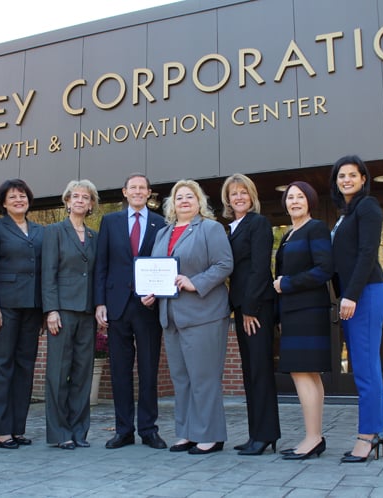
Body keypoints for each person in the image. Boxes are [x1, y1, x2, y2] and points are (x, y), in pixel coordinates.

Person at [142, 179, 233, 454]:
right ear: (172, 204)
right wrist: (151, 293)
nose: (183, 201)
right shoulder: (163, 233)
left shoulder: (210, 228)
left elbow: (224, 264)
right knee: (181, 379)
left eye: (189, 197)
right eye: (179, 197)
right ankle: (186, 433)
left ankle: (210, 435)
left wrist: (197, 282)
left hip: (203, 314)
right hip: (170, 317)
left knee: (204, 378)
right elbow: (159, 271)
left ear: (199, 202)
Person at [94, 173, 167, 450]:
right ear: (124, 192)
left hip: (147, 306)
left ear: (149, 193)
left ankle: (149, 430)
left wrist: (157, 294)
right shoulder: (110, 222)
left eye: (142, 188)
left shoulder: (160, 223)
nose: (137, 191)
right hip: (117, 305)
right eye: (132, 187)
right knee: (119, 370)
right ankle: (124, 430)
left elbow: (164, 264)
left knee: (149, 370)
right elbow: (102, 264)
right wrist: (100, 303)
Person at [330, 155, 383, 463]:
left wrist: (350, 296)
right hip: (358, 294)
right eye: (342, 176)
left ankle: (366, 437)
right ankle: (377, 429)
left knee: (364, 370)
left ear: (363, 178)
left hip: (365, 293)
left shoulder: (367, 207)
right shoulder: (346, 213)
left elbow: (368, 252)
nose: (347, 180)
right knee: (369, 368)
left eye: (353, 175)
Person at [273, 181, 333, 460]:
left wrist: (288, 284)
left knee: (305, 372)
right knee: (305, 373)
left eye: (300, 197)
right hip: (293, 311)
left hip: (309, 309)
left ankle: (312, 437)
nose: (294, 201)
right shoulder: (288, 234)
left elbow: (324, 269)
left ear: (310, 201)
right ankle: (314, 436)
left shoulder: (316, 228)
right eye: (290, 197)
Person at [221, 173, 280, 455]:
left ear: (252, 196)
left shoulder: (258, 224)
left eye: (244, 192)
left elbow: (259, 268)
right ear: (228, 199)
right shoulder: (232, 228)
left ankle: (266, 434)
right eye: (234, 193)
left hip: (255, 309)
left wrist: (250, 308)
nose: (239, 197)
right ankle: (256, 433)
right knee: (249, 372)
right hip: (242, 307)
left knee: (260, 371)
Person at [0, 179, 43, 449]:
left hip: (32, 307)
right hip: (3, 307)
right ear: (4, 203)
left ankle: (17, 427)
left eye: (22, 196)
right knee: (0, 366)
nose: (19, 200)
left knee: (24, 367)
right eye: (13, 197)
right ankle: (0, 429)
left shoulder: (40, 231)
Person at [42, 180, 99, 449]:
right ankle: (59, 432)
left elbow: (98, 274)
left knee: (82, 374)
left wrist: (99, 306)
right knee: (58, 372)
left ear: (91, 205)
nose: (79, 200)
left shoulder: (94, 236)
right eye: (75, 196)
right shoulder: (53, 232)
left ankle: (79, 431)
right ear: (67, 201)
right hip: (62, 311)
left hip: (87, 312)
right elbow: (48, 273)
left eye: (85, 197)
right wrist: (51, 309)